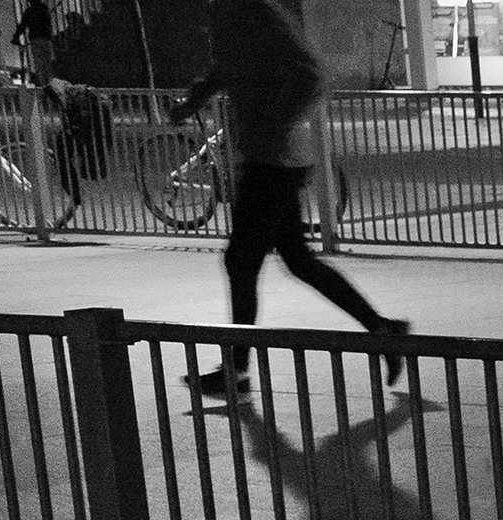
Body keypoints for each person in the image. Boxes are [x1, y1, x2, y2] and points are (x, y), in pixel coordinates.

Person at [174, 0, 409, 399]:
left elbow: (311, 73)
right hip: (271, 156)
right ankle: (384, 329)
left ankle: (236, 371)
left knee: (241, 260)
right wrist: (196, 100)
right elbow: (232, 66)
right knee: (296, 259)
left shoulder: (253, 11)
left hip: (274, 159)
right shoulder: (232, 13)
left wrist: (272, 121)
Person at [17, 0, 53, 83]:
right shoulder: (44, 9)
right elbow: (48, 24)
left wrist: (17, 37)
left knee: (38, 62)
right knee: (47, 62)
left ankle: (42, 83)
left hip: (35, 38)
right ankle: (50, 82)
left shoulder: (29, 12)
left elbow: (22, 25)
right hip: (46, 38)